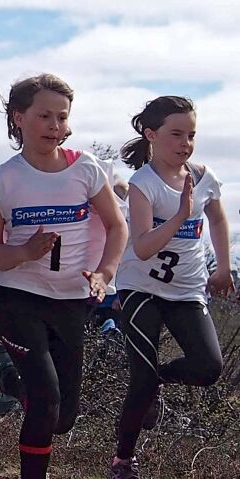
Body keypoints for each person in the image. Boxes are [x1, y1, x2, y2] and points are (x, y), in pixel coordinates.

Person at [0, 74, 128, 479]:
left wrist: (105, 272)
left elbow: (118, 226)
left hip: (73, 299)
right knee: (45, 400)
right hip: (19, 295)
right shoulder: (2, 179)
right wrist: (24, 252)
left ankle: (9, 378)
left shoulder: (86, 169)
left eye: (61, 117)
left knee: (62, 417)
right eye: (44, 116)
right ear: (18, 118)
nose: (55, 126)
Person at [110, 96, 231, 479]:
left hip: (186, 290)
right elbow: (143, 247)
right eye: (176, 134)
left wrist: (224, 268)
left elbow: (218, 220)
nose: (185, 143)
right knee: (140, 377)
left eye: (191, 135)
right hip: (139, 288)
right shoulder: (143, 183)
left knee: (209, 367)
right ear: (151, 135)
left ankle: (157, 380)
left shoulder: (202, 177)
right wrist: (179, 214)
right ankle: (122, 461)